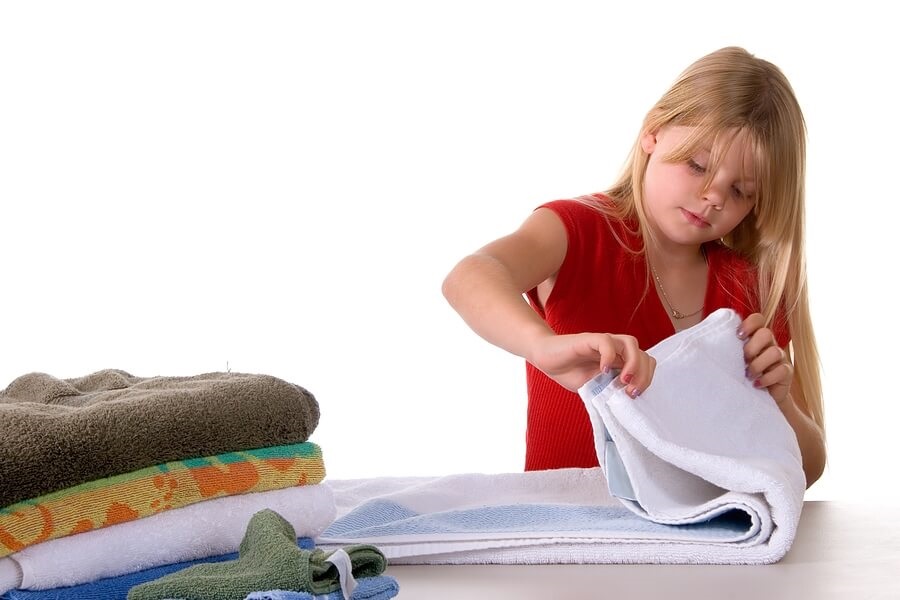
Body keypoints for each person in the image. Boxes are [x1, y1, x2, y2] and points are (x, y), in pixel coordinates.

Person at [442, 46, 826, 487]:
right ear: (654, 131)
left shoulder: (753, 285)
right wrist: (540, 346)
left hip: (702, 542)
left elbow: (807, 468)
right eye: (697, 165)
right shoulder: (579, 230)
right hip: (562, 532)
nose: (714, 196)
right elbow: (468, 276)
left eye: (741, 191)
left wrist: (780, 404)